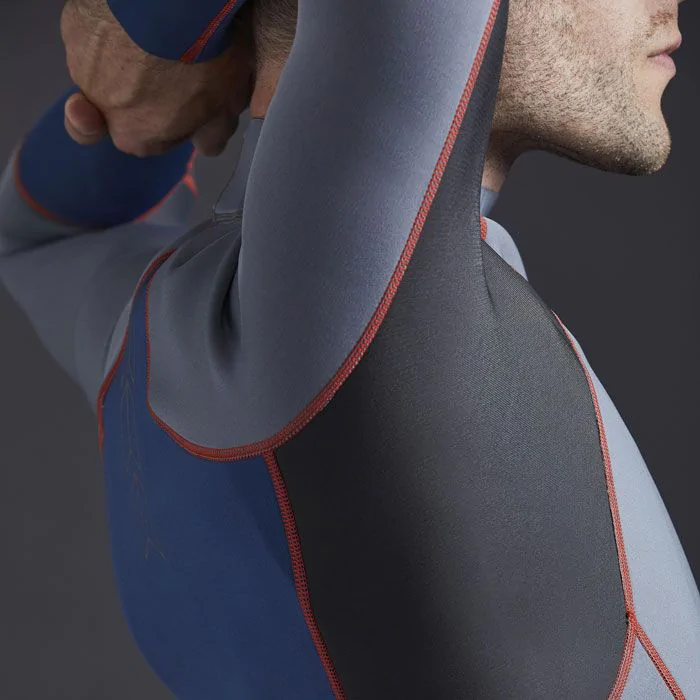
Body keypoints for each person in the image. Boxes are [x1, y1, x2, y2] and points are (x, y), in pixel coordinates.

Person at [1, 0, 698, 697]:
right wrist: (156, 25)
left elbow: (37, 236)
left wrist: (171, 45)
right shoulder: (349, 318)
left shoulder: (155, 335)